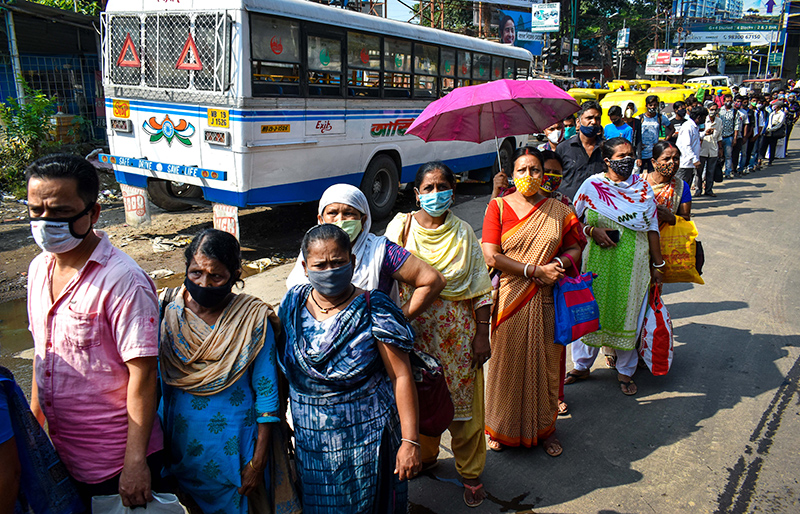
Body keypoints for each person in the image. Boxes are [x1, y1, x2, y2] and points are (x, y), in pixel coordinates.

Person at [25, 154, 164, 508]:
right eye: (36, 210)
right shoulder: (39, 270)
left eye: (58, 212)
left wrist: (135, 464)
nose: (45, 222)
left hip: (115, 461)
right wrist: (32, 431)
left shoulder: (123, 280)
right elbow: (43, 356)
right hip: (62, 456)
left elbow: (144, 376)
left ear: (93, 213)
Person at [279, 224, 421, 513]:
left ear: (353, 262)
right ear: (305, 267)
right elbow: (283, 368)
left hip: (366, 443)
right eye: (320, 265)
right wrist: (279, 421)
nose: (329, 270)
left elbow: (401, 376)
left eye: (338, 262)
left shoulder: (374, 308)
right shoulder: (292, 305)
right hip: (312, 444)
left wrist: (410, 442)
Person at [385, 162, 492, 508]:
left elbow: (480, 288)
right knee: (419, 398)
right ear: (416, 194)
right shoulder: (400, 228)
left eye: (441, 187)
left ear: (453, 191)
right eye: (428, 188)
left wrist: (481, 334)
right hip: (412, 334)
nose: (435, 194)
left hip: (458, 337)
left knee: (464, 407)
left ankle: (470, 471)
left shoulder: (464, 233)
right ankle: (425, 453)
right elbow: (381, 274)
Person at [159, 229, 287, 513]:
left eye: (216, 276)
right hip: (181, 448)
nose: (204, 283)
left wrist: (258, 460)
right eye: (195, 273)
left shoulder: (251, 319)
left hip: (237, 449)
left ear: (235, 275)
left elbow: (267, 394)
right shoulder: (167, 313)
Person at [481, 146, 585, 456]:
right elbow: (491, 255)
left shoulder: (559, 210)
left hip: (547, 298)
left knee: (547, 365)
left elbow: (576, 247)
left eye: (535, 170)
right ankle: (499, 427)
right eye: (522, 170)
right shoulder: (497, 207)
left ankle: (546, 428)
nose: (529, 176)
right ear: (511, 175)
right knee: (507, 364)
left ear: (544, 174)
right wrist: (533, 269)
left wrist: (560, 265)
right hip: (510, 298)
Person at [566, 138, 664, 396]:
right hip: (597, 262)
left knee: (627, 311)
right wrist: (591, 230)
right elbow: (573, 222)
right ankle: (582, 365)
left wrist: (659, 265)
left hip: (633, 265)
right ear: (607, 161)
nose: (627, 160)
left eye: (630, 155)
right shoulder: (592, 185)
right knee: (590, 311)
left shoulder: (642, 188)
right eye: (621, 155)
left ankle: (626, 370)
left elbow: (652, 227)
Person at [286, 183, 445, 316]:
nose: (340, 220)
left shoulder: (382, 251)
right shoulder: (311, 251)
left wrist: (396, 322)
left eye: (349, 213)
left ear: (363, 220)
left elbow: (433, 281)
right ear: (320, 219)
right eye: (332, 213)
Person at [557, 101, 606, 200]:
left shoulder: (606, 148)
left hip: (597, 206)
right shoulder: (563, 148)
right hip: (568, 207)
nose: (593, 122)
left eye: (597, 118)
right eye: (589, 118)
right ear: (578, 122)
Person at [643, 140, 692, 223]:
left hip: (668, 234)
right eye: (666, 159)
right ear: (654, 163)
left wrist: (671, 218)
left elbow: (686, 219)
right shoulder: (639, 182)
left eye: (676, 159)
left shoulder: (681, 187)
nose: (672, 162)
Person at [639, 95, 674, 172]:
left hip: (654, 151)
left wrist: (665, 140)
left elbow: (672, 128)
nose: (652, 107)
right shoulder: (640, 118)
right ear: (646, 105)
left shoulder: (661, 118)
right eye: (650, 105)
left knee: (653, 173)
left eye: (655, 105)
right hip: (642, 152)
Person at [675, 105, 707, 187]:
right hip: (684, 163)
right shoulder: (688, 127)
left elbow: (695, 138)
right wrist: (695, 159)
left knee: (686, 187)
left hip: (689, 164)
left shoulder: (694, 127)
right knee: (681, 187)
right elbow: (686, 145)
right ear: (699, 117)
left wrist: (705, 134)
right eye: (704, 117)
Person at [698, 104, 722, 197]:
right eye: (711, 109)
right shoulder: (703, 120)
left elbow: (719, 136)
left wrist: (720, 149)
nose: (713, 111)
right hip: (702, 148)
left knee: (711, 171)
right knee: (699, 172)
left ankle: (709, 189)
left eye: (715, 110)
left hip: (713, 148)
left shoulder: (719, 121)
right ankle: (698, 189)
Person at [761, 101, 786, 166]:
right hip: (768, 132)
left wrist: (771, 130)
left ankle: (770, 160)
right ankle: (761, 159)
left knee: (772, 146)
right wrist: (767, 129)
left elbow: (779, 124)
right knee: (763, 146)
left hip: (774, 132)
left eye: (775, 105)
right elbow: (769, 122)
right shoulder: (772, 113)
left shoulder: (782, 114)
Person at [731, 95, 750, 176]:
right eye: (737, 101)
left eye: (740, 101)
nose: (738, 103)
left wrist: (745, 136)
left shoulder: (744, 112)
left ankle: (734, 169)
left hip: (739, 136)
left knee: (736, 153)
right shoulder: (730, 110)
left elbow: (746, 124)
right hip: (728, 135)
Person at [718, 94, 736, 178]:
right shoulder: (719, 111)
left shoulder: (734, 112)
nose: (728, 103)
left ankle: (728, 172)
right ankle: (718, 172)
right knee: (719, 156)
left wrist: (735, 137)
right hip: (720, 137)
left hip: (729, 136)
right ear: (724, 101)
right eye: (727, 101)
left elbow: (736, 125)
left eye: (730, 101)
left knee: (728, 156)